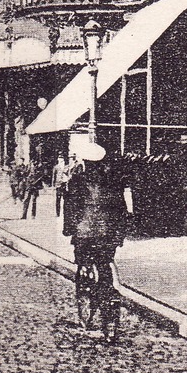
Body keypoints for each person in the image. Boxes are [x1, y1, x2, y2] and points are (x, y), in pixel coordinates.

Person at [64, 145, 131, 338]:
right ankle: (109, 308)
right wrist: (119, 235)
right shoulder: (114, 182)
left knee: (83, 264)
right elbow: (122, 210)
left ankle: (85, 292)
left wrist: (68, 230)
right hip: (108, 235)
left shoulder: (76, 181)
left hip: (84, 235)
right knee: (105, 267)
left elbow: (71, 209)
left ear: (84, 162)